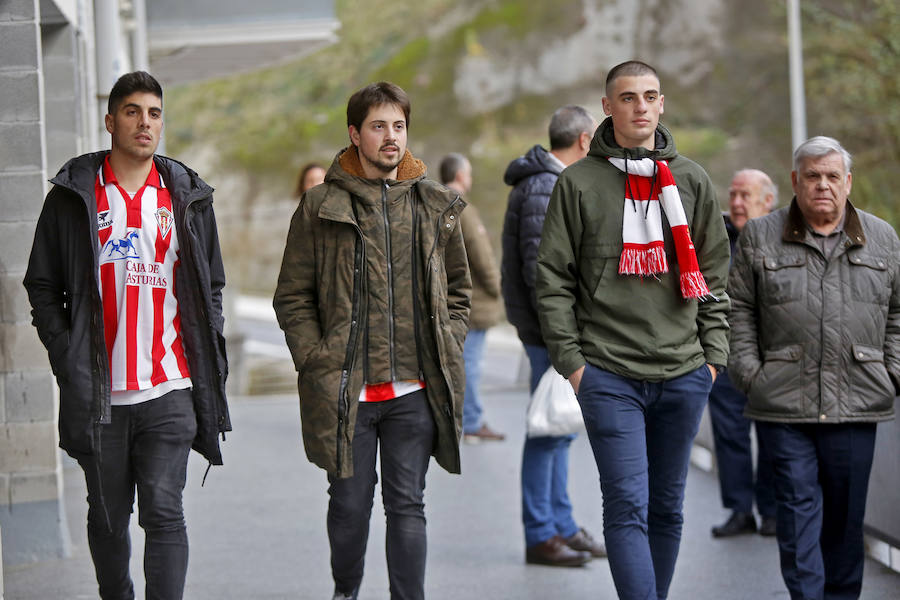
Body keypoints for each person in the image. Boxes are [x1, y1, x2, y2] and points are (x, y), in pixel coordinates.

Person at [23, 70, 230, 600]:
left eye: (155, 113)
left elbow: (211, 286)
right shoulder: (75, 197)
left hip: (169, 385)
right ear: (110, 120)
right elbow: (42, 284)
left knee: (164, 512)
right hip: (101, 394)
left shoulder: (185, 197)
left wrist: (208, 350)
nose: (145, 123)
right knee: (110, 520)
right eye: (133, 112)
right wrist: (66, 355)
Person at [535, 61, 731, 598]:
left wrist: (713, 358)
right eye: (627, 97)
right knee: (626, 504)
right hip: (609, 374)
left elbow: (715, 276)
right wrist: (574, 366)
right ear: (608, 107)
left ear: (661, 104)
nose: (639, 106)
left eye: (649, 96)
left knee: (667, 507)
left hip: (685, 371)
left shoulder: (691, 180)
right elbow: (551, 279)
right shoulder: (577, 183)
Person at [273, 81, 470, 600]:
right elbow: (292, 296)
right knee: (350, 504)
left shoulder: (435, 204)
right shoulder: (320, 206)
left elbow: (459, 292)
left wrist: (449, 338)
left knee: (408, 504)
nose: (391, 137)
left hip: (414, 391)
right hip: (347, 391)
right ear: (355, 134)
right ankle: (347, 590)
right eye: (379, 126)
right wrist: (316, 359)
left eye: (399, 126)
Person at [728, 136, 899, 600]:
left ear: (848, 182)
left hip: (857, 400)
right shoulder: (760, 235)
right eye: (812, 176)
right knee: (797, 511)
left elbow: (899, 314)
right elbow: (737, 310)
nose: (822, 185)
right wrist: (750, 373)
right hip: (783, 402)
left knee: (845, 520)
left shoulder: (883, 238)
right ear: (794, 182)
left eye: (831, 176)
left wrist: (892, 372)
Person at [501, 105, 606, 567]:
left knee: (559, 428)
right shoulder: (547, 185)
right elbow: (543, 273)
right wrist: (564, 337)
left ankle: (561, 524)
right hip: (551, 334)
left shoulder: (545, 180)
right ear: (584, 141)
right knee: (546, 430)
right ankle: (541, 533)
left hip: (553, 332)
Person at [709, 169, 778, 538]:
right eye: (733, 194)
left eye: (745, 195)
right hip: (726, 357)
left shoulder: (785, 237)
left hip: (772, 359)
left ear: (767, 201)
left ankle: (771, 511)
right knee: (729, 437)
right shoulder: (716, 237)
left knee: (772, 436)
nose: (735, 202)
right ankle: (739, 510)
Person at [439, 152, 505, 443]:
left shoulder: (436, 204)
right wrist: (496, 287)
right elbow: (481, 255)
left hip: (448, 297)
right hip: (473, 300)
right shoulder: (462, 207)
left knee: (456, 361)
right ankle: (473, 421)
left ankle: (456, 418)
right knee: (470, 363)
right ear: (462, 175)